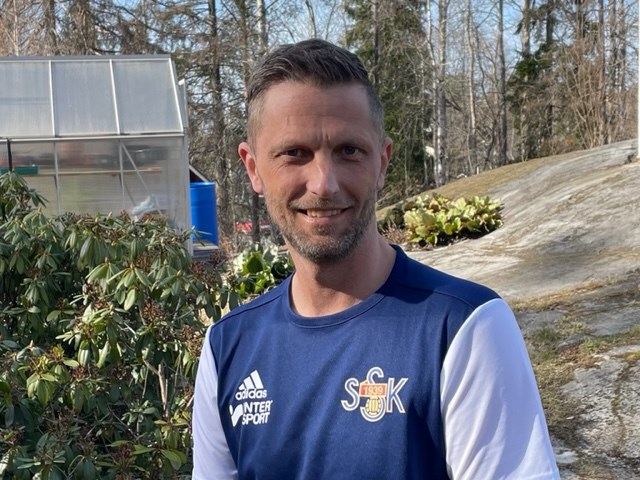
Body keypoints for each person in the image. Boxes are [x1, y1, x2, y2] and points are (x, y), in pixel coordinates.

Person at [192, 39, 560, 479]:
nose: (324, 184)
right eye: (295, 153)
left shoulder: (464, 327)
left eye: (349, 151)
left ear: (382, 162)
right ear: (253, 168)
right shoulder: (228, 347)